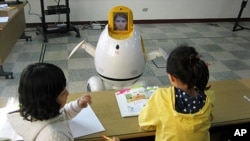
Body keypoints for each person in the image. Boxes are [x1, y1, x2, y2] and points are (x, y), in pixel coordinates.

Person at [138, 45, 215, 141]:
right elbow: (210, 118)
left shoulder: (161, 97)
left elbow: (144, 124)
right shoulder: (209, 96)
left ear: (172, 77)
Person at [7, 62, 93, 141]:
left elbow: (62, 114)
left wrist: (77, 105)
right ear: (47, 101)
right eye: (63, 93)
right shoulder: (54, 137)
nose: (68, 93)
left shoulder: (35, 111)